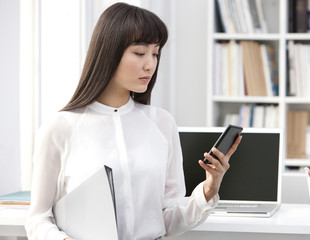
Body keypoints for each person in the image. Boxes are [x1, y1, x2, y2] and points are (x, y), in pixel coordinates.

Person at [25, 2, 242, 240]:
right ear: (109, 52)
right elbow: (38, 218)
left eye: (155, 53)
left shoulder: (162, 123)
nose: (150, 64)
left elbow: (168, 219)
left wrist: (209, 188)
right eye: (140, 53)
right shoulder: (61, 128)